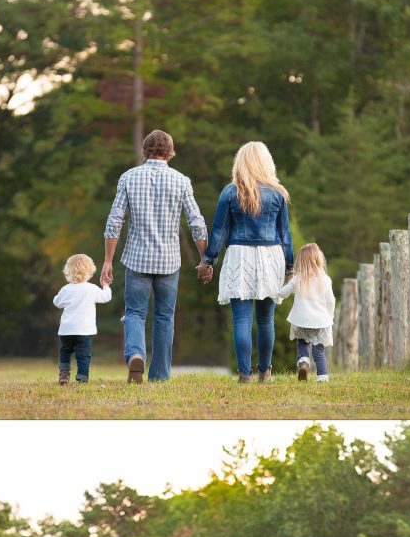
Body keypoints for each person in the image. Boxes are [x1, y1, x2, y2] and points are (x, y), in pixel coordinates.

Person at [101, 129, 208, 383]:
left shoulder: (128, 177)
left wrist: (107, 260)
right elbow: (197, 223)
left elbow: (114, 221)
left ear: (145, 151)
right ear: (170, 153)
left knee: (135, 313)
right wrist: (205, 259)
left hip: (137, 258)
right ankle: (159, 376)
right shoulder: (182, 181)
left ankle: (136, 354)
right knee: (164, 317)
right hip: (168, 261)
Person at [197, 142, 294, 384]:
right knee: (266, 319)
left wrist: (208, 260)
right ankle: (265, 372)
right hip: (270, 255)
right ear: (266, 162)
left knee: (241, 318)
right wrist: (290, 266)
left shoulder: (230, 192)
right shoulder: (278, 193)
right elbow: (285, 234)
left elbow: (219, 230)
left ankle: (244, 374)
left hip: (239, 255)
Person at [277, 242, 335, 383]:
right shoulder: (325, 280)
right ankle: (322, 377)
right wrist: (330, 316)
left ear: (300, 261)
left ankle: (303, 362)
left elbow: (283, 293)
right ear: (318, 259)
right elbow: (331, 301)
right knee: (319, 351)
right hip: (320, 321)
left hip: (302, 320)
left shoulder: (298, 278)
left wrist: (278, 289)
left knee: (302, 343)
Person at [53, 253, 112, 385]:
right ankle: (82, 377)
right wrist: (106, 286)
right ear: (90, 271)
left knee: (65, 351)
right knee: (83, 355)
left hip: (67, 330)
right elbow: (106, 297)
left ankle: (64, 374)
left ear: (68, 271)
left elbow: (57, 303)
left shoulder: (65, 289)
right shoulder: (91, 289)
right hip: (84, 330)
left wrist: (56, 297)